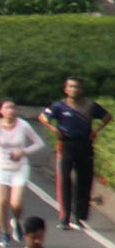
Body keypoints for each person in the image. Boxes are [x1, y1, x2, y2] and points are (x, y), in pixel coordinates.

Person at [39, 77, 112, 229]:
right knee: (65, 182)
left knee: (84, 182)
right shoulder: (59, 106)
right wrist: (54, 130)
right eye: (71, 87)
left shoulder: (89, 106)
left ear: (81, 89)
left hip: (85, 145)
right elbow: (43, 117)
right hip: (66, 145)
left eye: (77, 87)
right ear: (66, 89)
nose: (74, 89)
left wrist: (95, 131)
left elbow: (107, 117)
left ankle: (79, 217)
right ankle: (64, 218)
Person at [0, 100, 46, 246]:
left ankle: (15, 220)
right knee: (1, 202)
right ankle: (5, 233)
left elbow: (39, 143)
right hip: (1, 167)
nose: (11, 110)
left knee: (16, 204)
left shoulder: (23, 125)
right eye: (7, 108)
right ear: (1, 110)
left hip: (20, 167)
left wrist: (23, 152)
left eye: (13, 108)